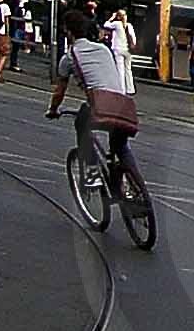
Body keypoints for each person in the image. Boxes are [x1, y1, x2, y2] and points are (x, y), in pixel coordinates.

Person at [50, 11, 140, 201]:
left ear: (68, 32)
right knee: (120, 146)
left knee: (81, 124)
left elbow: (59, 92)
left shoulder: (69, 57)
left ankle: (91, 173)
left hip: (101, 106)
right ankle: (135, 186)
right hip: (123, 105)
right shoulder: (104, 49)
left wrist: (53, 110)